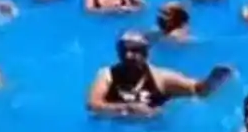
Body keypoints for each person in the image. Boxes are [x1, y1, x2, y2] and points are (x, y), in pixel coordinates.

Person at [86, 30, 231, 117]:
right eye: (124, 51)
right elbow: (93, 105)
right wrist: (127, 108)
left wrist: (214, 79)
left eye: (135, 51)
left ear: (145, 53)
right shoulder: (107, 75)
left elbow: (198, 91)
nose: (129, 55)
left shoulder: (161, 78)